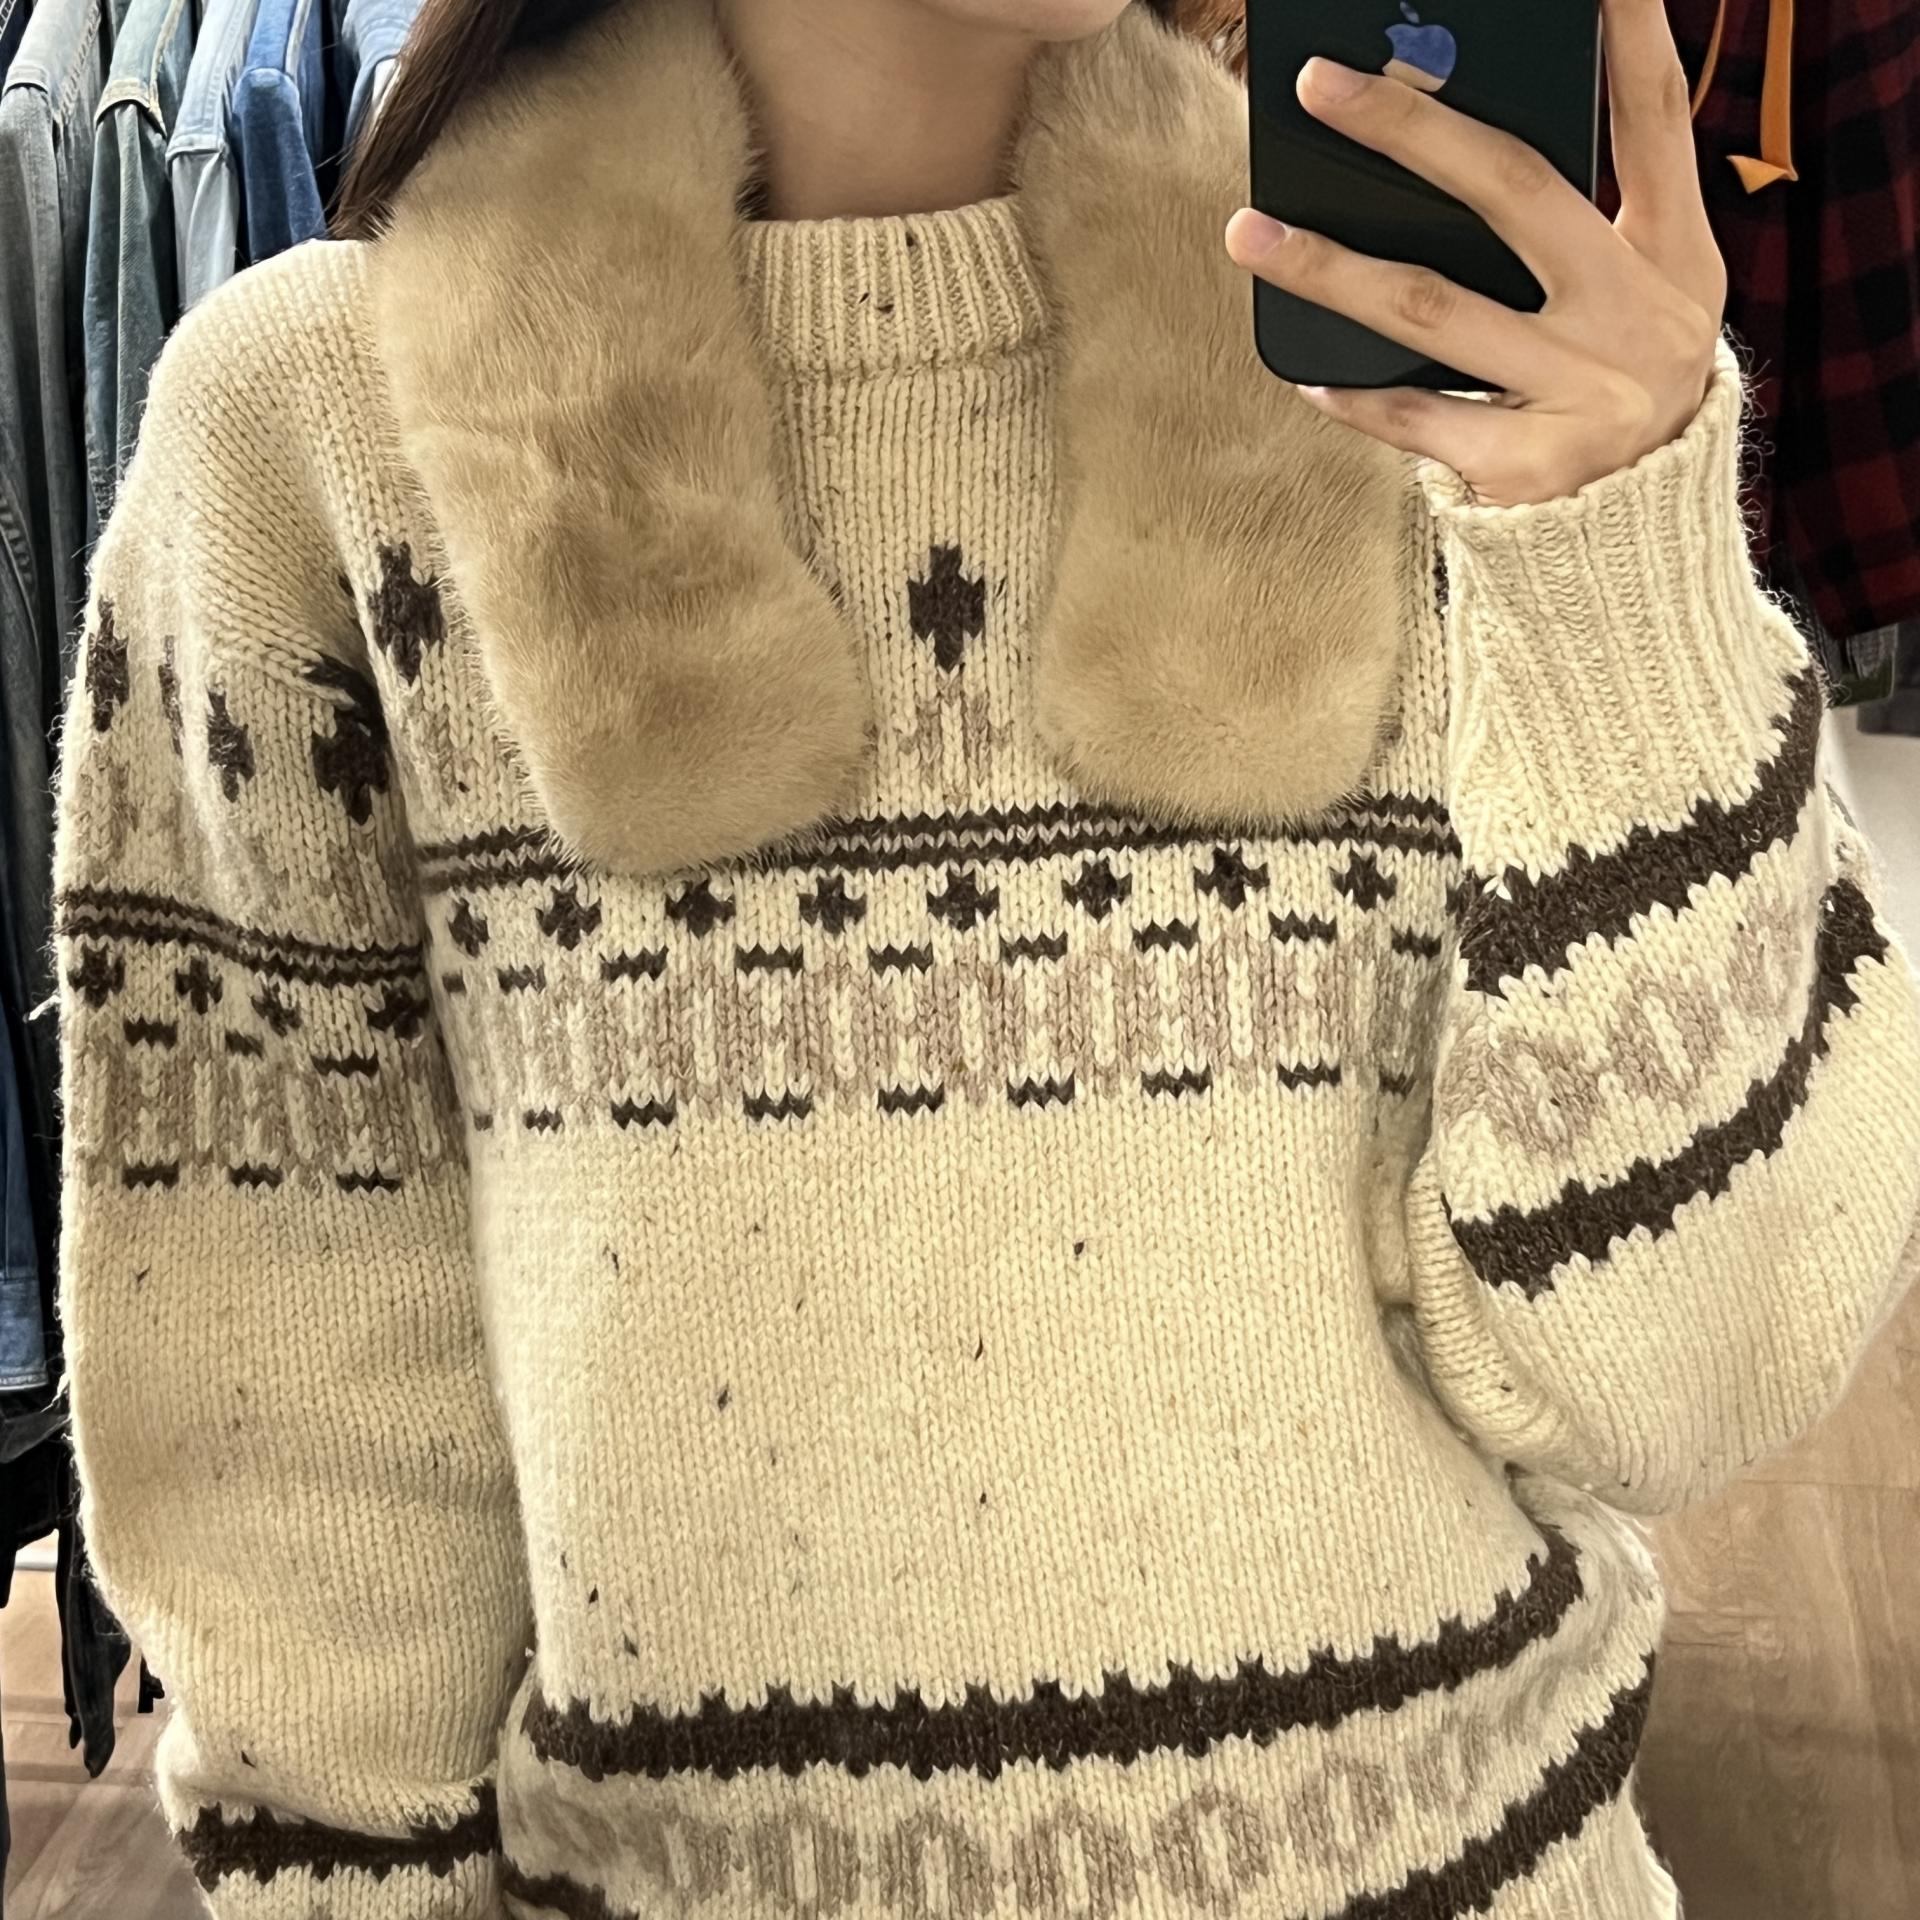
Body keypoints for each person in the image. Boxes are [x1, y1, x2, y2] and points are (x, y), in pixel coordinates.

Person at [50, 0, 1920, 1914]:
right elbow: (300, 1461)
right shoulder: (309, 431)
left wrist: (1622, 570)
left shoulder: (1443, 378)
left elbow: (1683, 1387)